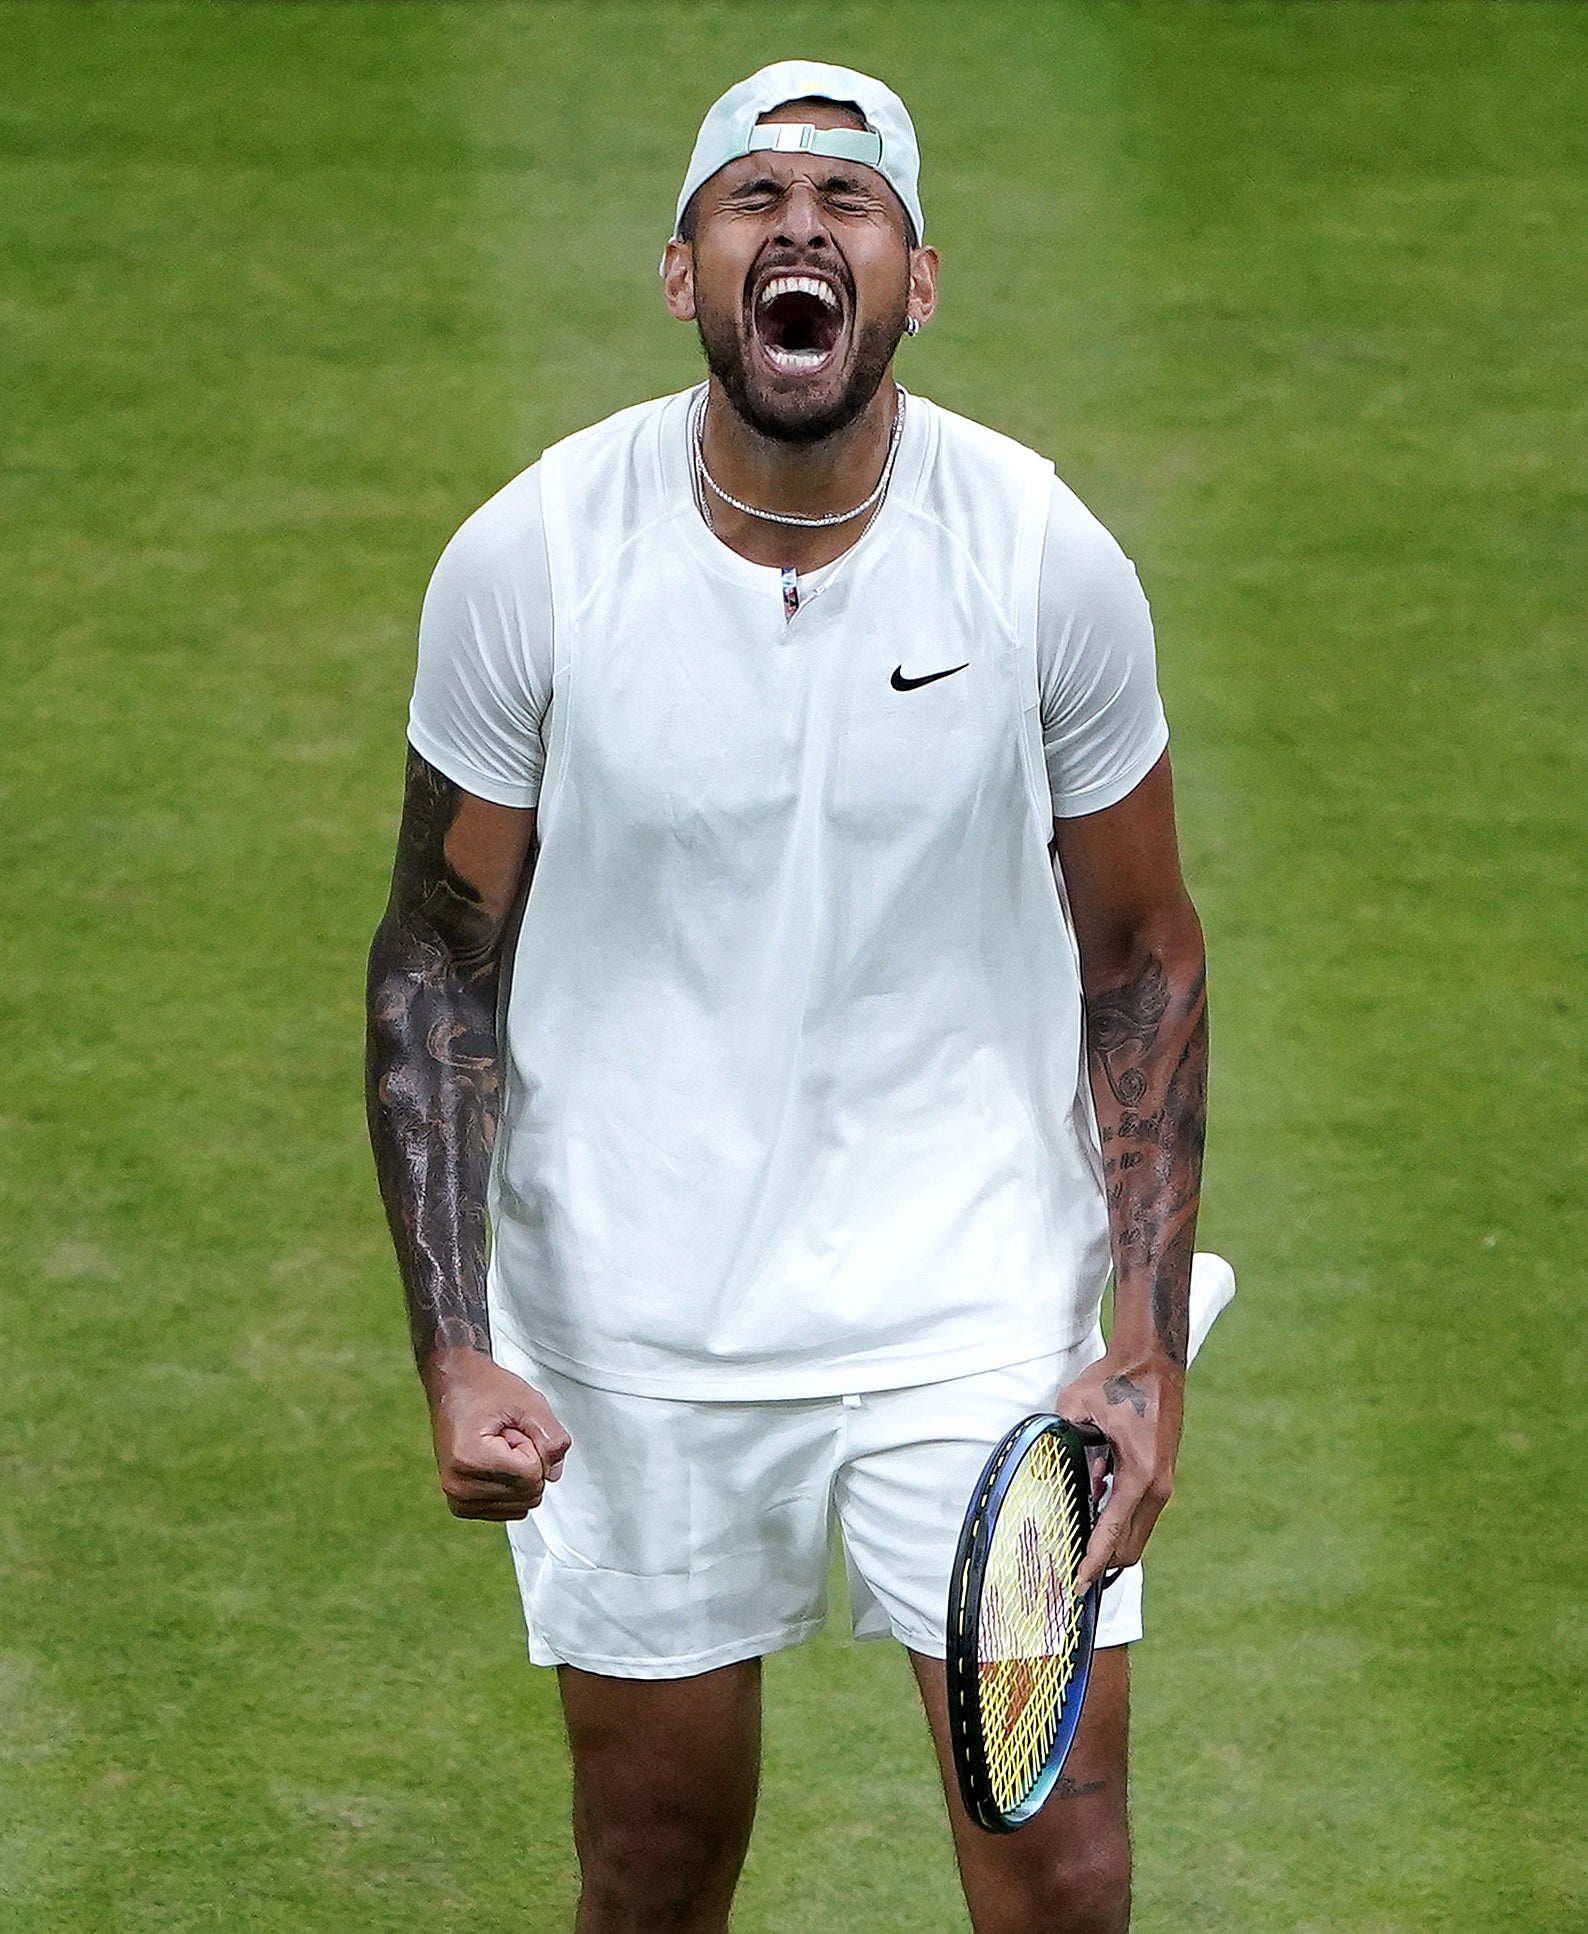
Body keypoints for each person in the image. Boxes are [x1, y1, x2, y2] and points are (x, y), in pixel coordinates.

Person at [366, 59, 1207, 1934]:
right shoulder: (532, 562)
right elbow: (438, 955)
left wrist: (1136, 1339)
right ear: (683, 271)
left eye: (854, 202)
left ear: (918, 279)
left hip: (976, 1310)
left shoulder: (1045, 559)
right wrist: (455, 1343)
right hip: (637, 1318)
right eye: (754, 198)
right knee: (653, 1876)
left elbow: (1142, 949)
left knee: (1062, 1875)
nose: (803, 227)